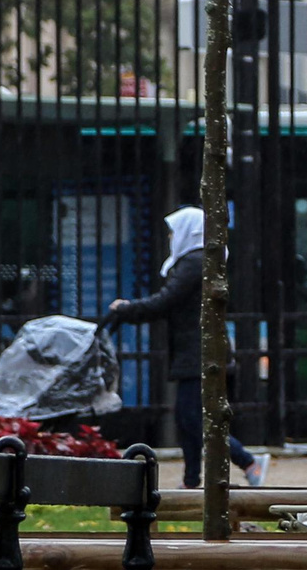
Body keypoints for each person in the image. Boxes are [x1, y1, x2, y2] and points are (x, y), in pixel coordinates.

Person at [109, 206, 265, 489]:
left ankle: (245, 461)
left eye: (172, 232)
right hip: (197, 352)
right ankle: (192, 479)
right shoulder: (197, 261)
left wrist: (128, 309)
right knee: (188, 419)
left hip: (201, 354)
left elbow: (166, 300)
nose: (170, 237)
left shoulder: (195, 262)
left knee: (195, 418)